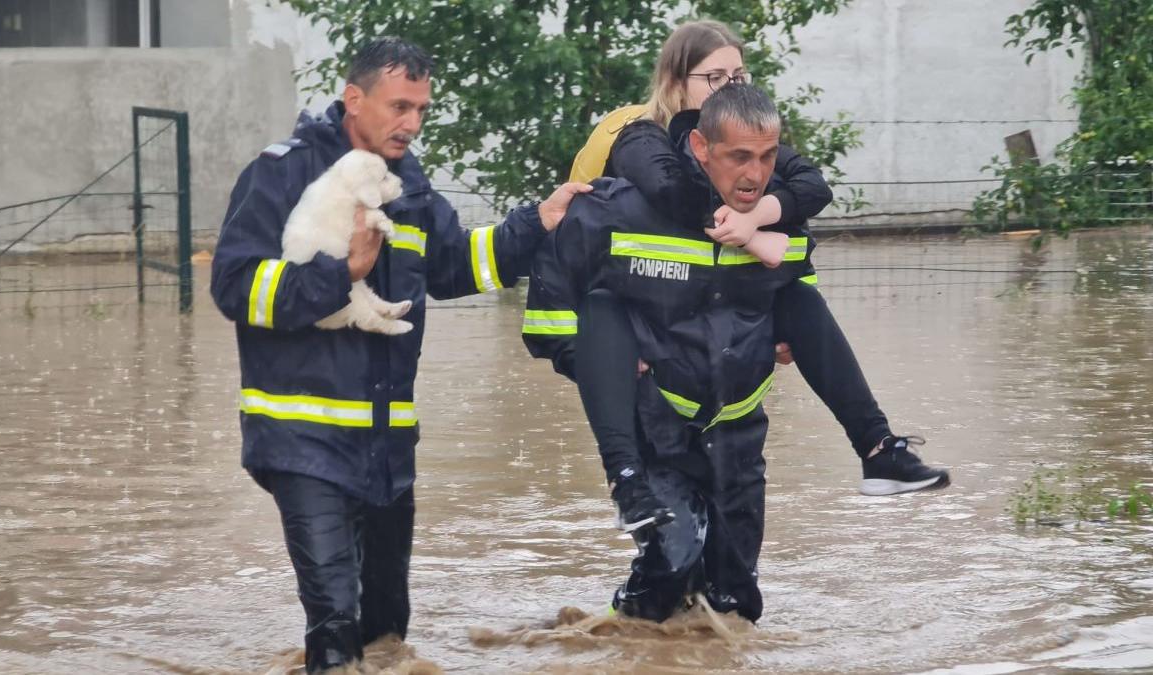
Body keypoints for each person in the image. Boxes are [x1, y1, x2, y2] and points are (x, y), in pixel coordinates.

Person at [210, 37, 589, 673]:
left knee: (386, 636)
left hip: (387, 449)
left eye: (421, 109)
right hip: (301, 441)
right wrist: (340, 272)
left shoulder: (406, 184)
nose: (411, 123)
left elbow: (455, 266)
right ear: (353, 99)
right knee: (334, 631)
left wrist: (538, 222)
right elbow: (233, 285)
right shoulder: (282, 173)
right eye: (399, 106)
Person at [563, 19, 949, 497]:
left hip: (721, 331)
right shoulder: (641, 136)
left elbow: (812, 186)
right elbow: (671, 190)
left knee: (796, 299)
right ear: (675, 82)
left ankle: (878, 449)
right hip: (645, 333)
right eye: (715, 78)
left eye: (739, 76)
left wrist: (756, 220)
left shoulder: (746, 141)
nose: (730, 87)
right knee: (671, 543)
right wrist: (754, 238)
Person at [525, 83, 800, 623]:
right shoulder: (622, 207)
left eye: (765, 157)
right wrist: (605, 363)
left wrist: (780, 334)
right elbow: (548, 315)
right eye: (713, 77)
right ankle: (614, 638)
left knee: (735, 601)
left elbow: (795, 298)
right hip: (658, 419)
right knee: (673, 560)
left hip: (736, 430)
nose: (755, 170)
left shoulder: (769, 211)